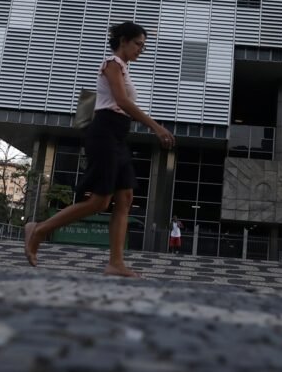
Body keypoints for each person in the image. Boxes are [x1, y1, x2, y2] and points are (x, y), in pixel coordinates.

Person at [24, 21, 174, 277]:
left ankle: (116, 263)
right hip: (104, 133)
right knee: (99, 201)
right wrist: (156, 127)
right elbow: (122, 101)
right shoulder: (112, 64)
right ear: (124, 41)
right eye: (138, 44)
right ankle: (38, 229)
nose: (141, 49)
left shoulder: (123, 68)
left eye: (143, 46)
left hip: (117, 135)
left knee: (125, 198)